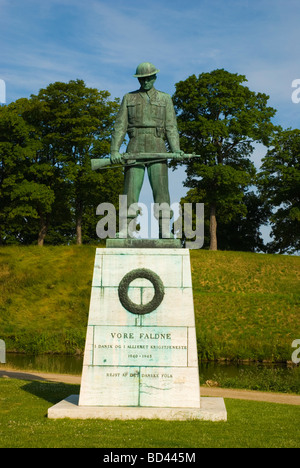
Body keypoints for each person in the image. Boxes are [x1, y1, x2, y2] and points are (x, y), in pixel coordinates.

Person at [110, 62, 183, 238]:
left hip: (157, 145)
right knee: (130, 189)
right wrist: (114, 150)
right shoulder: (129, 98)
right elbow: (120, 126)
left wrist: (176, 149)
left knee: (161, 189)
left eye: (148, 78)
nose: (145, 82)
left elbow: (171, 126)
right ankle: (127, 227)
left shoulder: (165, 99)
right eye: (142, 79)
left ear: (155, 78)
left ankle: (164, 227)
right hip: (134, 145)